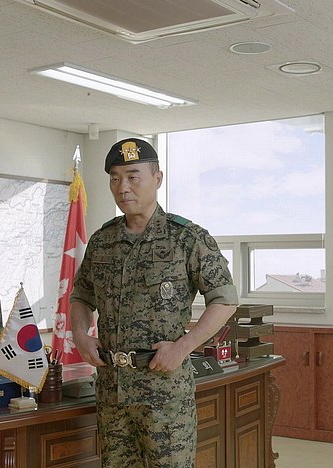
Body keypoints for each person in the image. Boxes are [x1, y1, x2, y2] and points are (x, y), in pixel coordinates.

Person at [69, 138, 238, 468]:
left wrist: (183, 347)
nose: (123, 187)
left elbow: (225, 300)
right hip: (112, 391)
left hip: (164, 394)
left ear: (157, 179)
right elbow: (81, 296)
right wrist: (79, 335)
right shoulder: (102, 241)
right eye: (115, 178)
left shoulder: (187, 237)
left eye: (133, 177)